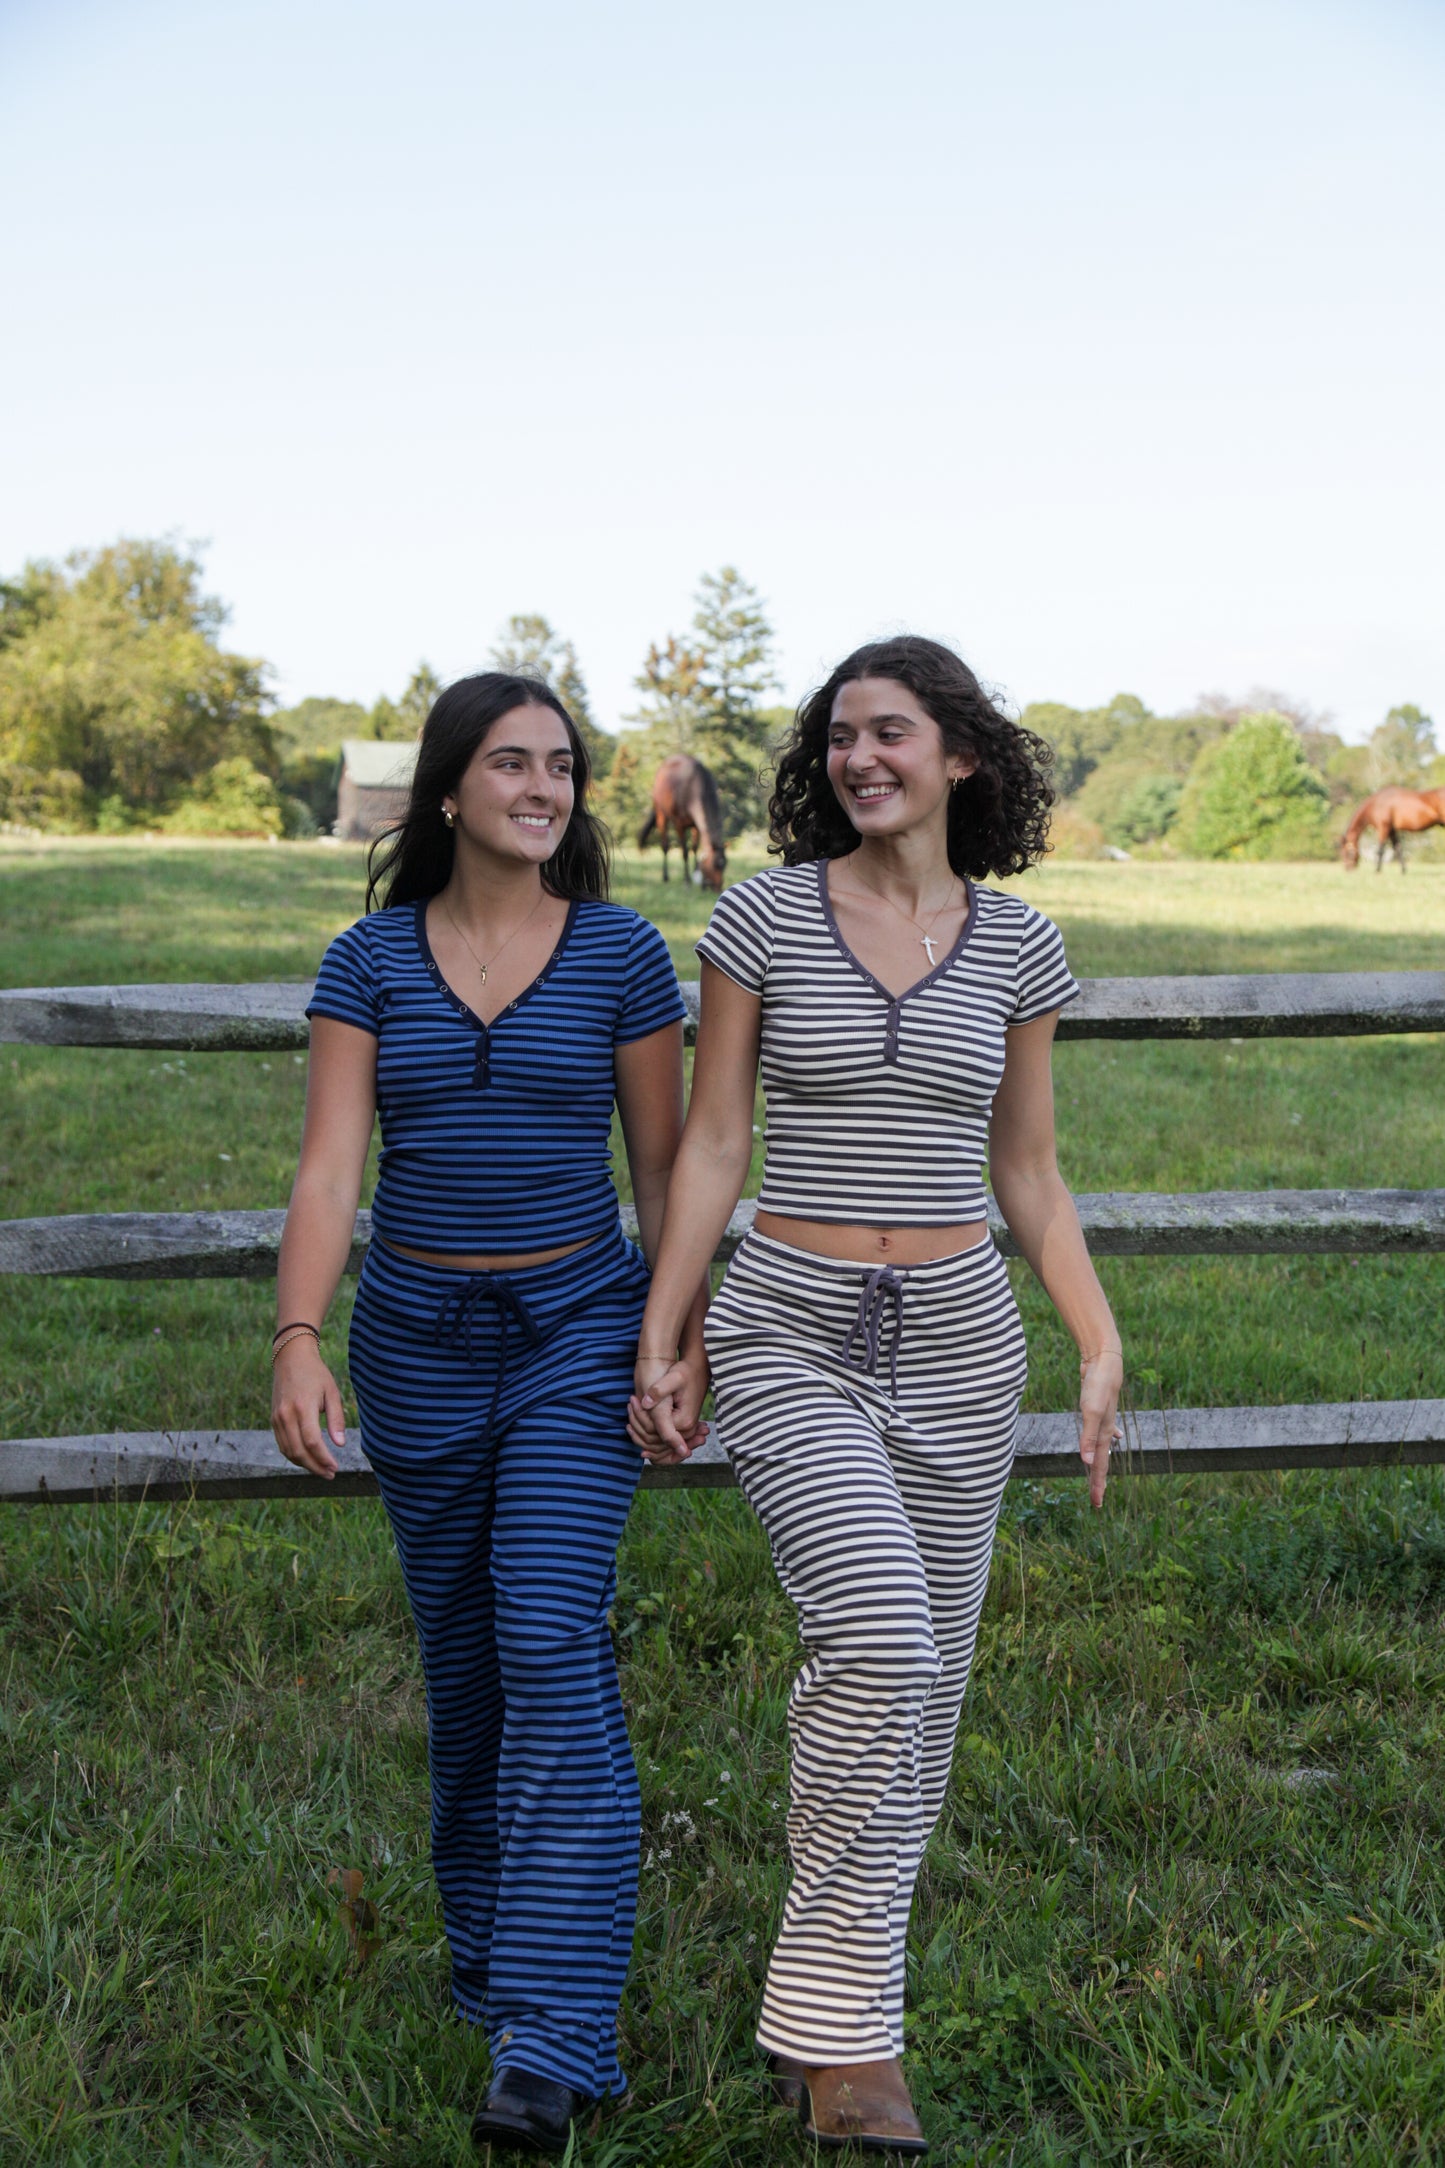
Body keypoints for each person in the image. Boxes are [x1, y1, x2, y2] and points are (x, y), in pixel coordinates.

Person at [628, 636, 1123, 2157]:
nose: (858, 758)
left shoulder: (1020, 943)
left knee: (925, 1698)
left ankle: (833, 2001)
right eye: (840, 735)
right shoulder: (763, 914)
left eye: (890, 732)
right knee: (882, 1640)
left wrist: (1094, 1338)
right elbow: (714, 1143)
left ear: (960, 756)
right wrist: (670, 1331)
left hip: (965, 1341)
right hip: (791, 1326)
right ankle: (846, 2035)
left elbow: (1027, 1171)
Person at [271, 673, 708, 2159]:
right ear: (449, 788)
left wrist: (674, 1336)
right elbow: (330, 1171)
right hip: (414, 1345)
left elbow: (667, 1172)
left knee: (546, 1632)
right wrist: (297, 1335)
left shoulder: (621, 952)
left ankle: (554, 2032)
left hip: (577, 1334)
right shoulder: (368, 960)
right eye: (511, 763)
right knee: (464, 1668)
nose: (543, 788)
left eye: (562, 766)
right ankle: (489, 1967)